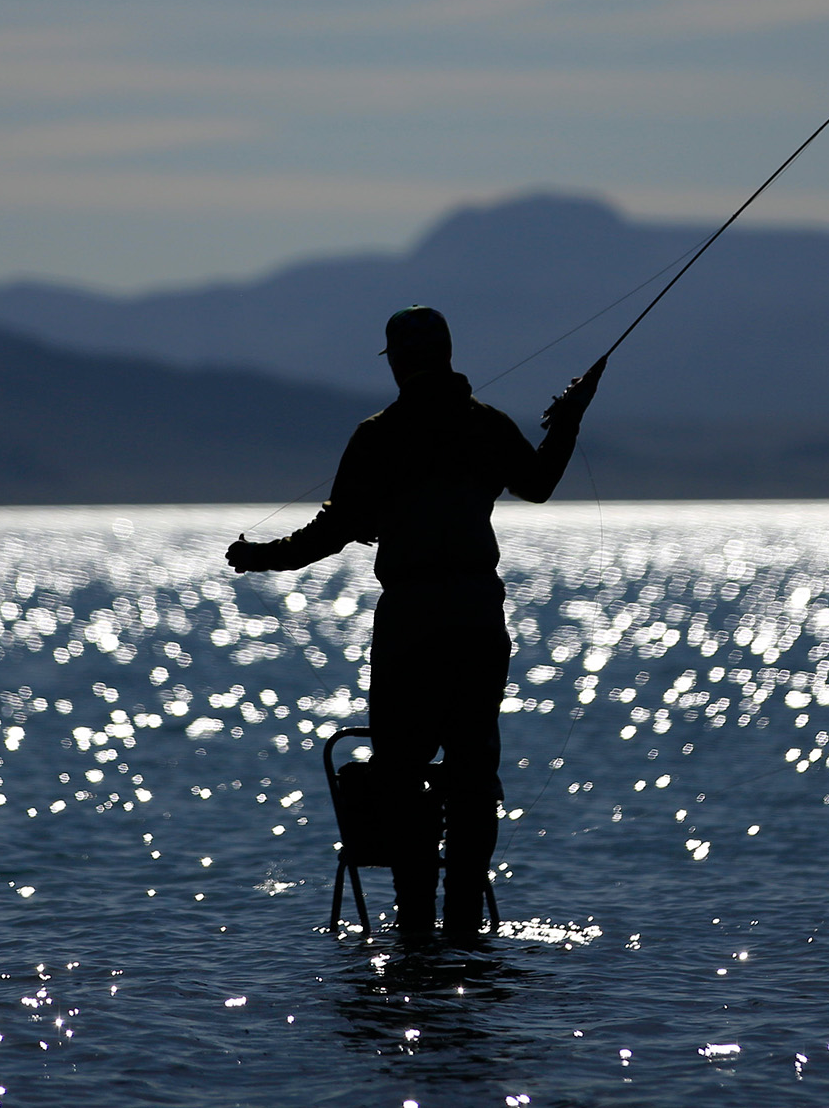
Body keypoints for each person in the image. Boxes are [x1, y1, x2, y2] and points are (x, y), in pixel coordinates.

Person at [228, 305, 603, 942]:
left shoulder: (379, 435)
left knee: (401, 770)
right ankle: (462, 927)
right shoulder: (485, 426)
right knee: (472, 771)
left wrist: (262, 557)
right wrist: (567, 423)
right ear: (449, 354)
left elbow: (332, 530)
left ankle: (415, 929)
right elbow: (538, 484)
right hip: (478, 619)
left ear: (399, 362)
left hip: (410, 623)